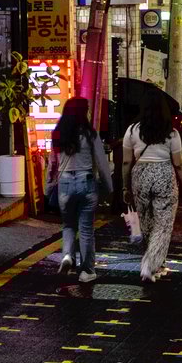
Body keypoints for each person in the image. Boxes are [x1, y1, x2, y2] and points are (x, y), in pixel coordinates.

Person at [124, 95, 182, 284]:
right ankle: (149, 265)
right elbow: (178, 164)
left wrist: (125, 186)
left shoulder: (132, 131)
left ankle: (156, 263)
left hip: (140, 175)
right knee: (163, 224)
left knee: (146, 223)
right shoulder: (172, 134)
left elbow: (127, 161)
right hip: (164, 175)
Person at [49, 97, 112, 284]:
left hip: (65, 183)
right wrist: (109, 188)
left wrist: (48, 188)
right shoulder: (90, 134)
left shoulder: (58, 134)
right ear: (84, 113)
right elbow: (102, 163)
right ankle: (87, 271)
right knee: (86, 230)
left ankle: (67, 256)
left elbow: (52, 164)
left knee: (68, 225)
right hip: (86, 182)